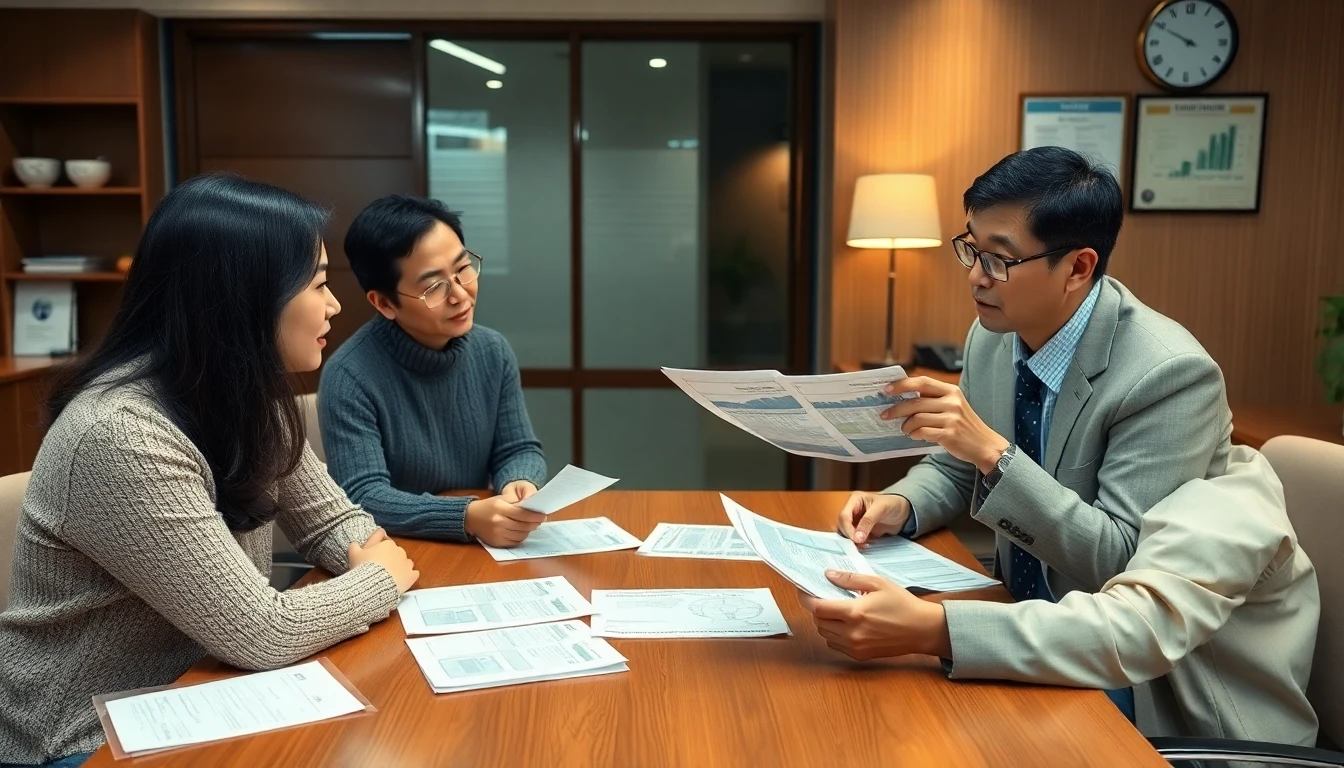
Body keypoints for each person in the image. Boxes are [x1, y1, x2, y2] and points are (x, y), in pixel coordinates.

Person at [0, 174, 419, 768]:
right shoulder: (119, 435)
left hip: (202, 691)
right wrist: (375, 579)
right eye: (319, 284)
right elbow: (263, 634)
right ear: (245, 296)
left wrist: (362, 555)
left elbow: (333, 525)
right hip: (81, 736)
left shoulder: (247, 400)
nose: (333, 305)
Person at [835, 147, 1233, 718]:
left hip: (1120, 663)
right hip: (1014, 617)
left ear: (1077, 268)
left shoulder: (1169, 375)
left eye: (999, 259)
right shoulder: (992, 336)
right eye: (971, 248)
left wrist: (995, 453)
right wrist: (900, 503)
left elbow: (1119, 561)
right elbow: (954, 467)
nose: (975, 276)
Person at [800, 446, 1320, 746]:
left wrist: (936, 628)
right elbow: (955, 469)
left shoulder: (1226, 510)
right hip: (1113, 668)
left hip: (1197, 733)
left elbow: (1133, 629)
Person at [320, 195, 547, 548]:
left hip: (478, 547)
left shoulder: (492, 350)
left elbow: (517, 448)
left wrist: (519, 483)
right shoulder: (349, 376)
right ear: (384, 303)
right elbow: (363, 496)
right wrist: (465, 516)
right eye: (433, 287)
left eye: (463, 269)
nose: (460, 294)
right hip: (398, 552)